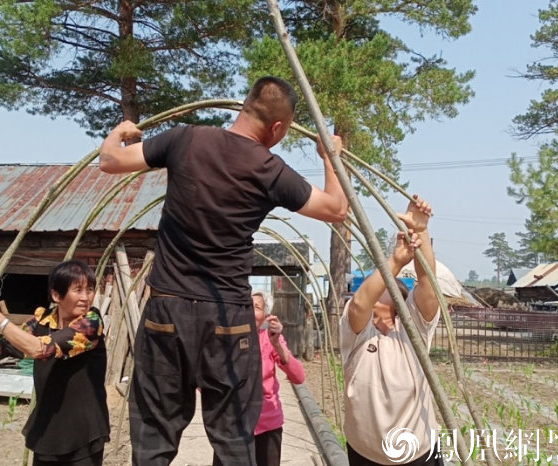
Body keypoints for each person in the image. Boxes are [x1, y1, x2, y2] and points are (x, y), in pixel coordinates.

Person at [99, 76, 348, 466]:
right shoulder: (270, 169)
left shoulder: (186, 139)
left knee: (153, 441)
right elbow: (337, 209)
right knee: (234, 442)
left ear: (244, 107)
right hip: (227, 316)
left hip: (168, 308)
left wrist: (118, 133)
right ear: (278, 128)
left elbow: (110, 161)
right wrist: (331, 157)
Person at [0, 260, 109, 466]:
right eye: (78, 290)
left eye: (89, 289)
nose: (85, 297)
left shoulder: (91, 323)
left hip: (83, 430)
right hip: (47, 429)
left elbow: (40, 349)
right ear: (56, 295)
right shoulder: (40, 322)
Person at [339, 195, 443, 466]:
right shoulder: (357, 334)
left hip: (418, 453)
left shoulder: (413, 331)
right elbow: (361, 303)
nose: (387, 283)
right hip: (366, 453)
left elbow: (428, 287)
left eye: (393, 283)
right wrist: (395, 261)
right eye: (384, 281)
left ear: (403, 300)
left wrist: (421, 230)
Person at [212, 289, 305, 466]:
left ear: (265, 316)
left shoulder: (270, 340)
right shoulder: (225, 339)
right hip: (231, 425)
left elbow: (299, 377)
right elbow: (206, 381)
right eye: (245, 305)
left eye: (256, 307)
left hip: (266, 424)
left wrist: (276, 344)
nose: (249, 310)